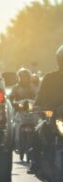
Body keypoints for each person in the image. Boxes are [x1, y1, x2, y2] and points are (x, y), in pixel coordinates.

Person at [27, 44, 63, 174]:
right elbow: (40, 97)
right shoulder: (49, 78)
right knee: (37, 132)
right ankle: (35, 162)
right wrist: (37, 107)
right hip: (52, 115)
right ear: (59, 60)